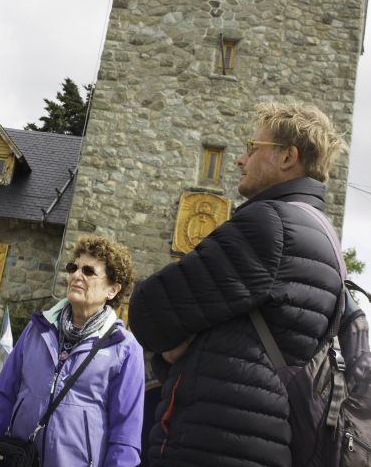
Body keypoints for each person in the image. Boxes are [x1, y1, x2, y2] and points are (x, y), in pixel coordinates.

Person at [129, 100, 345, 467]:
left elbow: (149, 312)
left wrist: (179, 348)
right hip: (263, 442)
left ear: (287, 157)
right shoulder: (324, 236)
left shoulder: (270, 224)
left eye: (252, 148)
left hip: (212, 442)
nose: (241, 160)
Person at [0, 236, 145, 466]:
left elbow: (125, 437)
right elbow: (3, 397)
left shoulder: (124, 348)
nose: (76, 275)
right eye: (74, 267)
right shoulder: (37, 328)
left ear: (112, 290)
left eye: (89, 271)